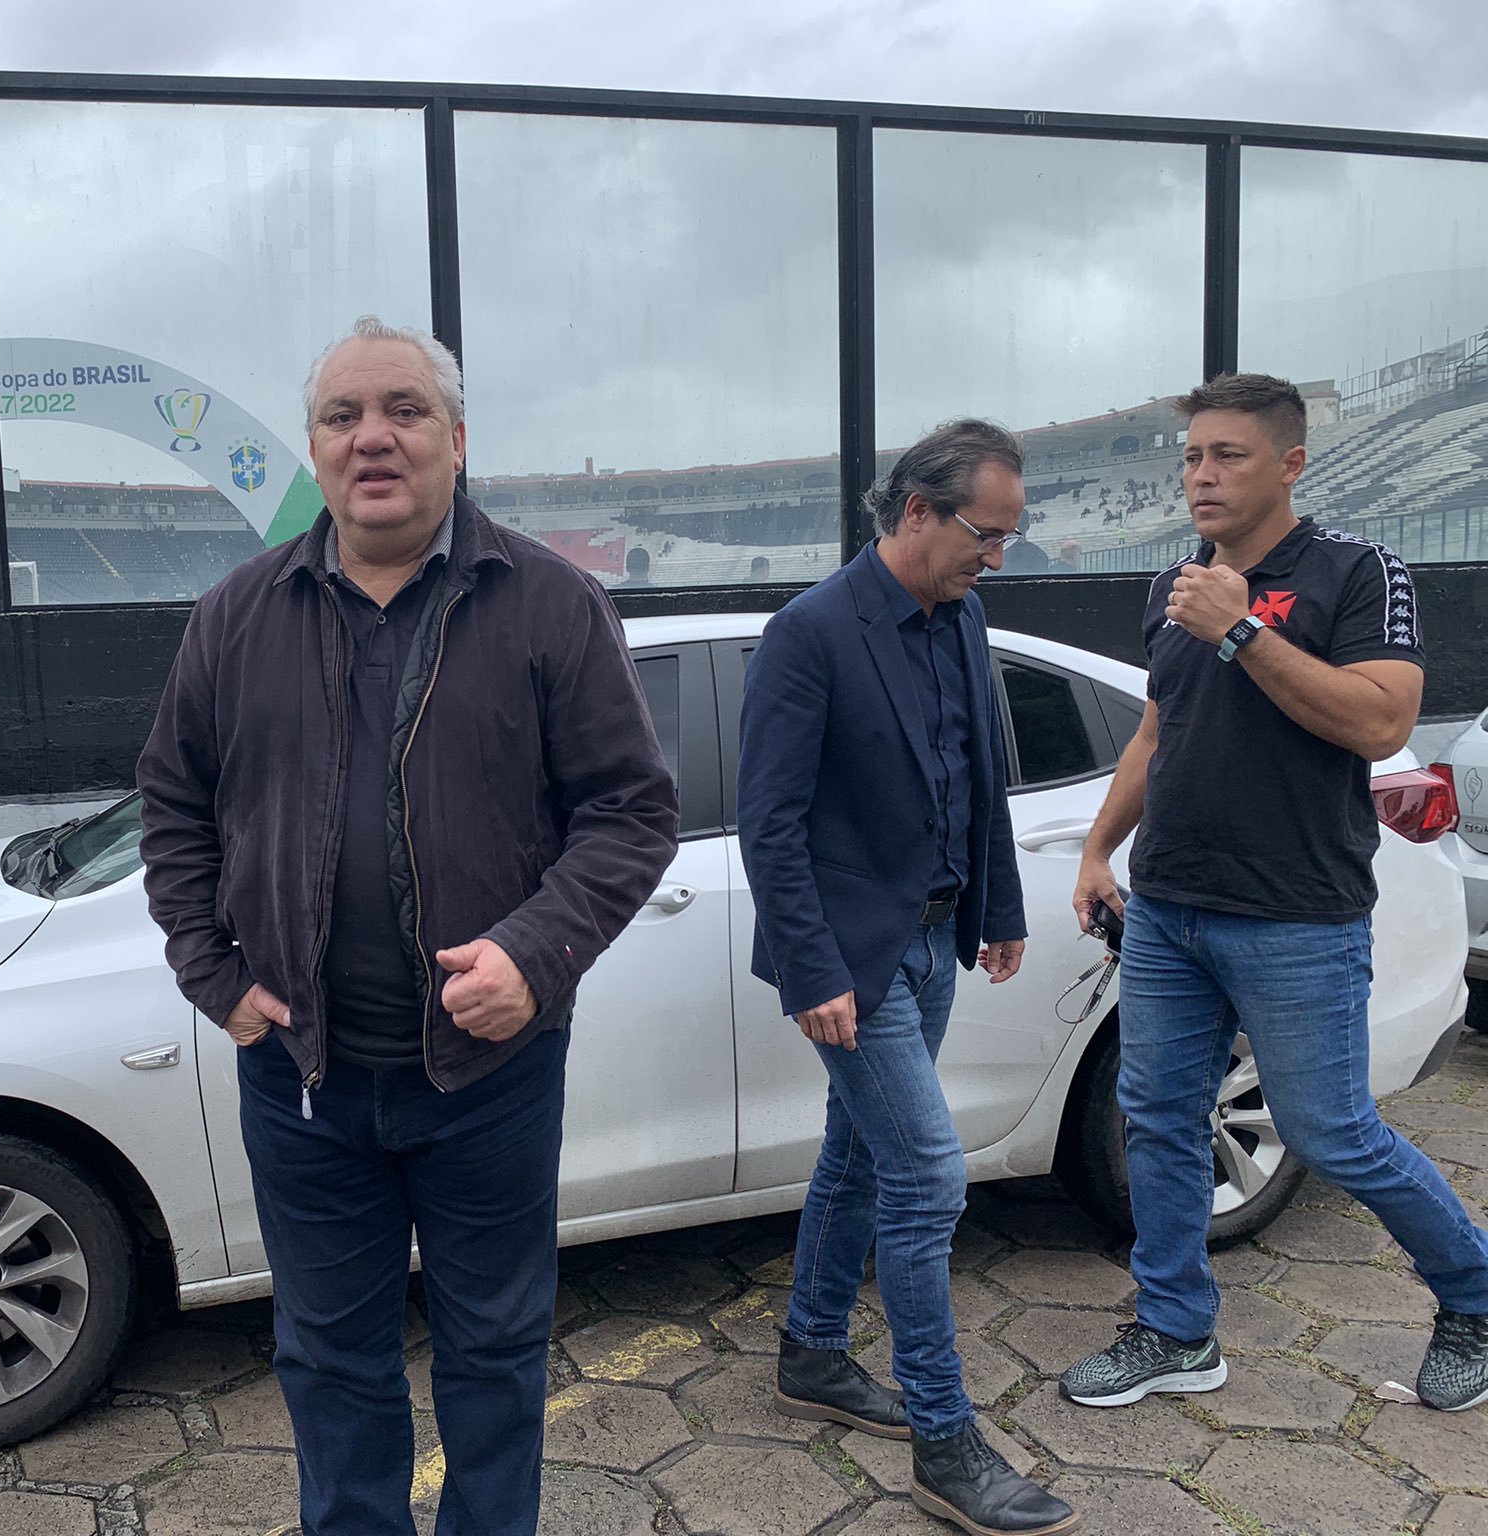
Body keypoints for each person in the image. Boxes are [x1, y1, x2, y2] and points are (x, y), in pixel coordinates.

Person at [135, 314, 678, 1535]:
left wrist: (534, 956)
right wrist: (213, 976)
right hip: (303, 1080)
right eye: (342, 416)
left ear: (457, 440)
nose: (371, 437)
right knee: (329, 1363)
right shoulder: (234, 617)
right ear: (315, 448)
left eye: (404, 411)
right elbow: (172, 808)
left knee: (494, 1354)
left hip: (489, 1076)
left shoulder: (549, 605)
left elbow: (630, 813)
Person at [1063, 373, 1488, 1415]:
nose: (1200, 476)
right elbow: (1156, 731)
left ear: (1289, 463)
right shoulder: (1175, 584)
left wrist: (1243, 630)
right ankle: (1174, 1331)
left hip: (1295, 914)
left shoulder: (1356, 571)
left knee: (1331, 1130)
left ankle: (1474, 1297)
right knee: (1158, 1120)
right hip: (1169, 908)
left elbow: (1380, 722)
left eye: (1227, 455)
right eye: (1191, 457)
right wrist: (1097, 850)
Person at [738, 419, 1080, 1536]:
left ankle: (811, 1354)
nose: (998, 555)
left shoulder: (963, 615)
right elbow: (770, 826)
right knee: (927, 1178)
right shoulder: (809, 633)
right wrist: (810, 970)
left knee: (859, 1152)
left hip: (936, 942)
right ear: (918, 511)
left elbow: (979, 778)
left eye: (1010, 535)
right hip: (851, 960)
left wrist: (998, 909)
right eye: (987, 533)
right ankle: (946, 1443)